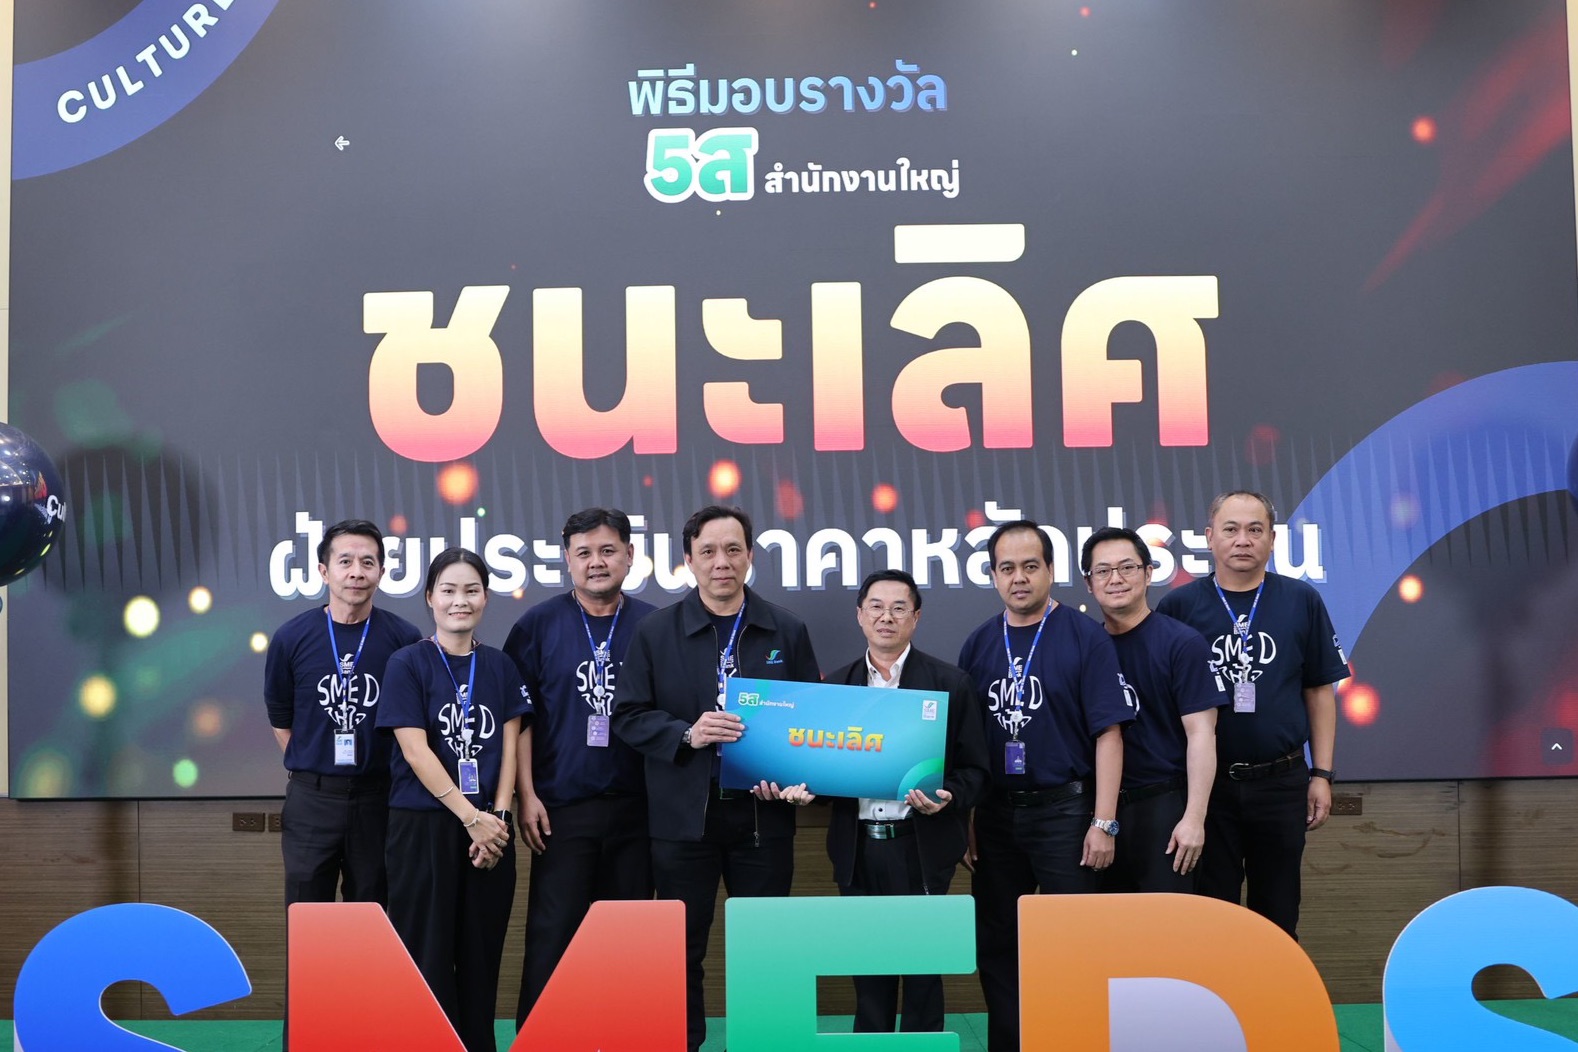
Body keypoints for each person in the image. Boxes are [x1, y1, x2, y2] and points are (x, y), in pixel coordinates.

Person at [612, 505, 820, 1052]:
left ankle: (765, 1044)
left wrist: (794, 778)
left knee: (767, 946)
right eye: (708, 551)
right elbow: (628, 716)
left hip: (763, 816)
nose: (721, 562)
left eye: (732, 550)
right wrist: (687, 733)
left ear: (750, 555)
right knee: (681, 948)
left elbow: (811, 721)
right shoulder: (656, 631)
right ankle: (684, 1042)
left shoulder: (786, 630)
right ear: (688, 560)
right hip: (684, 818)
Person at [957, 519, 1132, 1052]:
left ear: (1050, 571)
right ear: (993, 575)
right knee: (997, 943)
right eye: (1007, 568)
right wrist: (968, 821)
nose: (1019, 578)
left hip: (1066, 814)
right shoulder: (978, 644)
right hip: (995, 817)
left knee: (1074, 945)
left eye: (1030, 566)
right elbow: (967, 747)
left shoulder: (1084, 636)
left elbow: (1109, 734)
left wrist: (1104, 822)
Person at [1156, 491, 1346, 939]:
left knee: (1278, 914)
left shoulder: (1301, 600)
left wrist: (1321, 774)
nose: (1243, 540)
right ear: (1209, 537)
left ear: (1272, 539)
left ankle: (1275, 988)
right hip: (1208, 790)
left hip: (1281, 782)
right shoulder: (1179, 607)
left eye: (1255, 530)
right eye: (1231, 529)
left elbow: (1319, 691)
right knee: (1211, 917)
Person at [506, 508, 656, 1029]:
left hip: (639, 810)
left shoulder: (655, 625)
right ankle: (542, 1037)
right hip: (560, 810)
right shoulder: (537, 625)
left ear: (630, 556)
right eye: (584, 553)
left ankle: (623, 1036)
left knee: (629, 938)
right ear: (567, 560)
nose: (597, 562)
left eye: (608, 551)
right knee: (554, 934)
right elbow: (517, 720)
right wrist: (526, 795)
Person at [823, 569, 989, 1034]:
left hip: (921, 846)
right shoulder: (835, 689)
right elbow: (823, 774)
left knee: (922, 974)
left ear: (916, 618)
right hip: (858, 849)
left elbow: (977, 772)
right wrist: (802, 789)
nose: (887, 617)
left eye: (899, 608)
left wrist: (948, 797)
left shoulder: (949, 683)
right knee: (868, 971)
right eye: (876, 607)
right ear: (860, 615)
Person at [378, 548, 531, 1052]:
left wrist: (499, 819)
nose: (459, 601)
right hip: (423, 827)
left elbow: (510, 744)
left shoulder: (501, 665)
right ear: (430, 598)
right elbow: (414, 750)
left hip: (491, 833)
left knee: (481, 954)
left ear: (485, 598)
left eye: (471, 590)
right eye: (448, 590)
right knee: (426, 952)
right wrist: (471, 818)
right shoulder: (407, 662)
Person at [264, 519, 422, 909]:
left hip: (379, 799)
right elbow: (281, 719)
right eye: (345, 561)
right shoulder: (291, 637)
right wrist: (317, 769)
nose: (356, 572)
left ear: (381, 572)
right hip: (311, 799)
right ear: (324, 571)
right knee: (306, 909)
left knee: (373, 911)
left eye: (368, 562)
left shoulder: (404, 639)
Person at [1080, 526, 1221, 893]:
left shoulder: (1182, 643)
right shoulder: (1084, 647)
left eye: (1127, 567)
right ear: (1089, 583)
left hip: (1164, 807)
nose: (1116, 579)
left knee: (1167, 924)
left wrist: (1194, 818)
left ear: (1148, 573)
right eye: (1103, 570)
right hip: (1096, 811)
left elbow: (1202, 734)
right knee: (1105, 924)